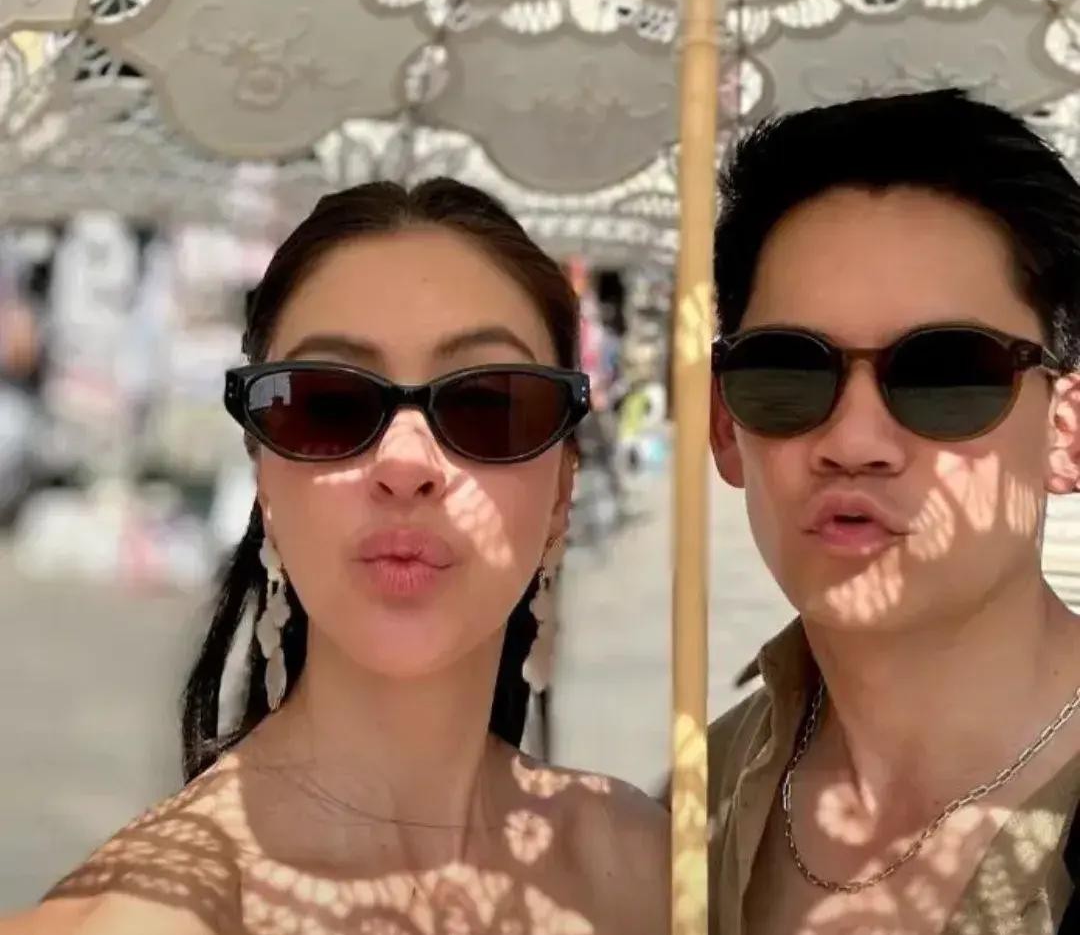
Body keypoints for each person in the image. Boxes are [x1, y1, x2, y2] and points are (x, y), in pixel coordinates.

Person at [10, 179, 669, 935]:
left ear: (562, 488)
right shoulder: (140, 919)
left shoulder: (655, 870)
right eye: (328, 405)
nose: (404, 463)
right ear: (263, 478)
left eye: (487, 404)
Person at [706, 90, 1080, 935]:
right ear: (725, 428)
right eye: (788, 372)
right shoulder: (693, 807)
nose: (854, 441)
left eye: (946, 374)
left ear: (1065, 434)